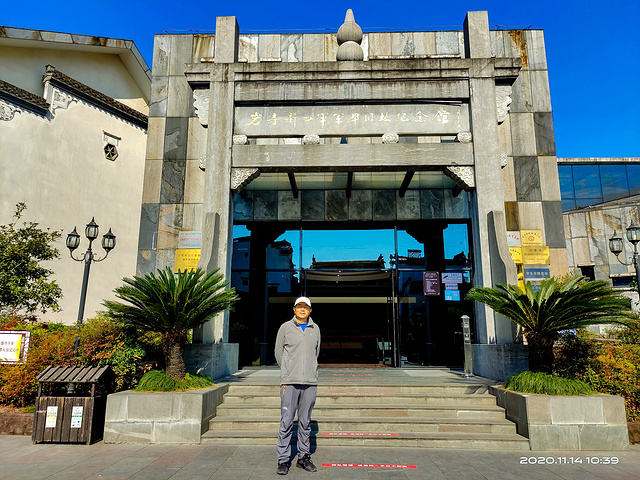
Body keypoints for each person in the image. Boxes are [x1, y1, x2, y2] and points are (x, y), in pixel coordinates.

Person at [274, 296, 321, 475]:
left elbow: (316, 352)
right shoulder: (285, 328)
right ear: (294, 309)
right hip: (289, 382)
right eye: (299, 307)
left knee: (305, 422)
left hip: (309, 382)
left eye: (305, 307)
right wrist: (288, 369)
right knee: (286, 421)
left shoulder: (315, 329)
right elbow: (278, 352)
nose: (302, 309)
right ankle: (283, 459)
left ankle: (303, 457)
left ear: (310, 310)